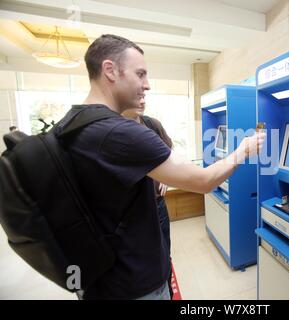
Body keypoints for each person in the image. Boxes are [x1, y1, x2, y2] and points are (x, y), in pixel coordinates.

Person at [67, 34, 264, 300]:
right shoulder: (118, 132)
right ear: (110, 70)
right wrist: (244, 150)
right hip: (133, 281)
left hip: (98, 276)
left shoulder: (73, 122)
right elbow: (204, 181)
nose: (146, 85)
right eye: (140, 74)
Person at [121, 98, 174, 298]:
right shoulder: (112, 130)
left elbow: (169, 152)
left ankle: (166, 290)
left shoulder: (152, 125)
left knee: (164, 252)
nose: (142, 99)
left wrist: (167, 178)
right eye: (137, 95)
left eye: (144, 96)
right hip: (132, 211)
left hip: (157, 204)